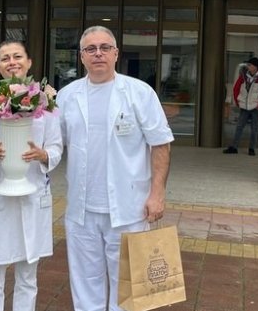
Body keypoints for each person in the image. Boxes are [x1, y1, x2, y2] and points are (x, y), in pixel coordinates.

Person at [56, 25, 173, 311]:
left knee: (129, 287)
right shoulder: (66, 96)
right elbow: (53, 144)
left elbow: (160, 144)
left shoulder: (139, 92)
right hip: (82, 210)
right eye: (90, 49)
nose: (98, 54)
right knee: (85, 284)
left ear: (116, 53)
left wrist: (157, 194)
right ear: (81, 57)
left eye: (105, 48)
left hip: (129, 207)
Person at [0, 40, 63, 311]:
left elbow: (56, 147)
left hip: (32, 195)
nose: (12, 62)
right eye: (5, 58)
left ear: (29, 62)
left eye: (17, 56)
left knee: (28, 278)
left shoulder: (46, 104)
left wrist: (43, 155)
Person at [223, 56, 258, 156]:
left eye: (250, 65)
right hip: (244, 107)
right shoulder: (243, 76)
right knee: (239, 127)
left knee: (254, 129)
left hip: (256, 108)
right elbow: (236, 88)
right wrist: (238, 101)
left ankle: (251, 149)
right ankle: (234, 147)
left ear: (255, 67)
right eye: (248, 65)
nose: (248, 67)